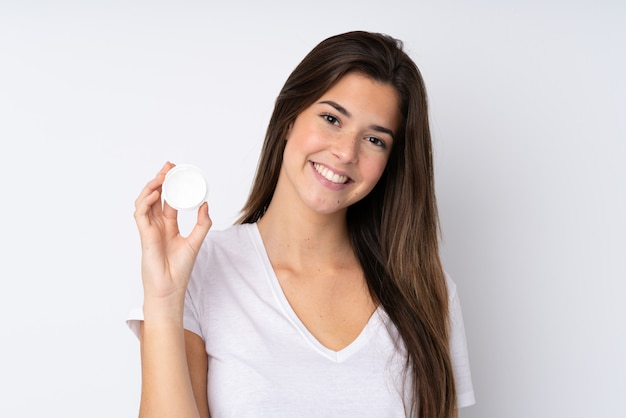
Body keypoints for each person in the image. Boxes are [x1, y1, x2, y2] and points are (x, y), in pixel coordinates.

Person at [129, 31, 474, 418]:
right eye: (331, 119)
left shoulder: (426, 289)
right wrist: (162, 302)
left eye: (375, 140)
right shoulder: (202, 271)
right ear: (290, 118)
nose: (345, 152)